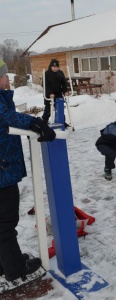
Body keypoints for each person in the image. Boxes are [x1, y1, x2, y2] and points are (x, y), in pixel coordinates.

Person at [0, 59, 56, 283]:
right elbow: (6, 117)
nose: (7, 80)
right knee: (5, 224)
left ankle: (6, 263)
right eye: (4, 76)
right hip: (2, 172)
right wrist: (35, 123)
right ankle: (15, 268)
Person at [42, 59, 69, 127]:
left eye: (56, 67)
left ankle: (62, 122)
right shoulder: (46, 74)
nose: (55, 68)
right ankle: (44, 122)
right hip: (49, 95)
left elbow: (63, 83)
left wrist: (65, 91)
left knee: (60, 109)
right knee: (48, 110)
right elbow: (45, 85)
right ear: (51, 67)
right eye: (53, 67)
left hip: (58, 94)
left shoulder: (60, 73)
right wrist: (50, 93)